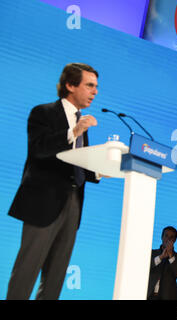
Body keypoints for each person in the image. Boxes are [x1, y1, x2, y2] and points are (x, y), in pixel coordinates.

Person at [6, 63, 101, 300]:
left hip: (73, 204)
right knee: (26, 272)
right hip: (43, 202)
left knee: (56, 277)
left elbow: (75, 162)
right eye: (89, 85)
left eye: (96, 86)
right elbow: (39, 150)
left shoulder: (81, 122)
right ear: (70, 85)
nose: (95, 91)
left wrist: (100, 170)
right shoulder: (43, 112)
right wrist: (73, 132)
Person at [147, 226, 177, 300]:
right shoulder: (152, 253)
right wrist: (161, 257)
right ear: (162, 237)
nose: (168, 239)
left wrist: (171, 256)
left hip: (167, 296)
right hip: (148, 293)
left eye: (171, 237)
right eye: (166, 236)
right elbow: (145, 267)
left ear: (175, 240)